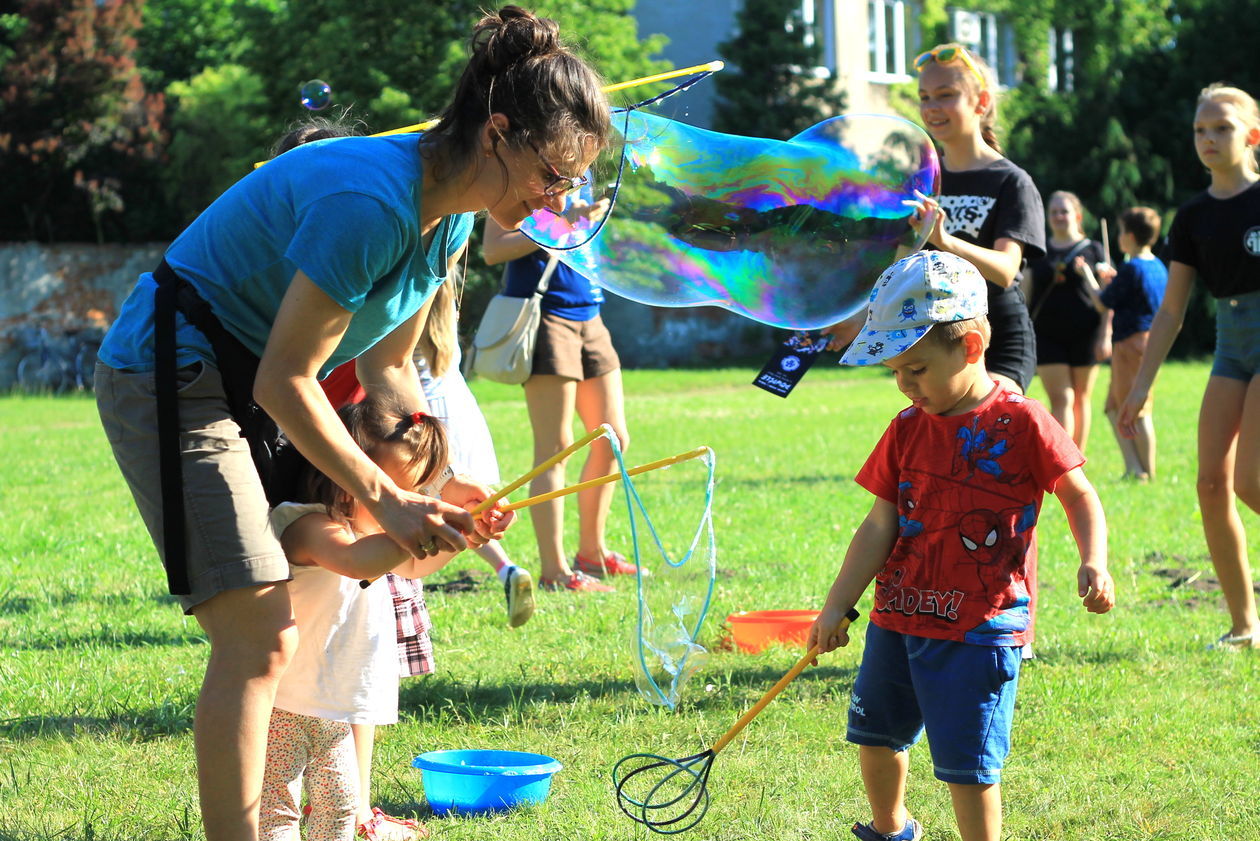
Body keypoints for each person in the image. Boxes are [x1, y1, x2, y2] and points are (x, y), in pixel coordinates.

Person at [92, 7, 609, 838]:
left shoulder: (452, 222)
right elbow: (286, 381)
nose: (558, 199)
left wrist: (439, 487)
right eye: (554, 174)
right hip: (171, 374)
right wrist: (387, 498)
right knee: (260, 630)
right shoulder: (371, 205)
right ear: (499, 133)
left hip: (236, 382)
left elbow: (387, 370)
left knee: (271, 627)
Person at [808, 250, 1114, 841]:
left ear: (971, 346)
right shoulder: (905, 428)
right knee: (875, 738)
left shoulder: (1022, 421)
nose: (904, 384)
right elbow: (879, 526)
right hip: (898, 618)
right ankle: (890, 829)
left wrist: (1093, 559)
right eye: (895, 371)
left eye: (917, 369)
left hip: (979, 627)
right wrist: (835, 604)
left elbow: (1079, 495)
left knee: (968, 768)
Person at [263, 397, 450, 841]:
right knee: (277, 806)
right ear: (352, 481)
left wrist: (464, 535)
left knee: (344, 803)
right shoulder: (309, 525)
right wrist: (431, 527)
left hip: (331, 705)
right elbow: (356, 561)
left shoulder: (373, 535)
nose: (416, 505)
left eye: (423, 494)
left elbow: (413, 565)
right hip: (285, 701)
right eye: (405, 495)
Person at [1118, 83, 1260, 650]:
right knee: (1210, 484)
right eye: (1201, 129)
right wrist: (1138, 389)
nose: (1208, 138)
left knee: (1252, 481)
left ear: (1251, 134)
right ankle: (1245, 625)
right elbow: (1172, 310)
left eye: (1221, 128)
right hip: (1230, 347)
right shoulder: (1194, 216)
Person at [828, 44, 1045, 396]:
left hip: (997, 338)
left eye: (946, 95)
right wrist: (861, 318)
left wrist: (945, 240)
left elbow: (1006, 271)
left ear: (981, 101)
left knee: (986, 432)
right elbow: (900, 268)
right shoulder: (920, 180)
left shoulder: (1011, 181)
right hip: (933, 342)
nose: (931, 108)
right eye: (925, 97)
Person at [483, 203, 635, 593]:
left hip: (591, 313)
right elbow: (494, 248)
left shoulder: (588, 177)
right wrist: (560, 223)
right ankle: (555, 571)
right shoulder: (526, 176)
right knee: (556, 448)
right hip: (546, 315)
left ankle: (593, 554)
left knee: (613, 439)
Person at [414, 273, 536, 626]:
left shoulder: (408, 297)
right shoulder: (447, 298)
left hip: (424, 418)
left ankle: (407, 596)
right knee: (471, 513)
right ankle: (506, 569)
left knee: (433, 515)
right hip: (458, 410)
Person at [1025, 191, 1109, 450]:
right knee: (1062, 398)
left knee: (1081, 398)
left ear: (1078, 216)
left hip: (1087, 332)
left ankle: (1077, 461)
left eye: (1064, 211)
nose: (1059, 217)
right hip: (1047, 334)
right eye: (1054, 212)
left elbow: (1108, 300)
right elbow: (1025, 294)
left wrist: (1107, 334)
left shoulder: (1095, 250)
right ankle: (1063, 460)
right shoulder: (1038, 251)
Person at [1088, 207, 1167, 480]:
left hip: (1131, 344)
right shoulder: (1157, 265)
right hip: (1148, 342)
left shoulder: (1132, 267)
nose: (1119, 237)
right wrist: (1114, 281)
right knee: (1113, 407)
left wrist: (1089, 276)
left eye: (1121, 231)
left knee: (1139, 410)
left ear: (1130, 236)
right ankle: (1134, 468)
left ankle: (1148, 472)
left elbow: (1101, 303)